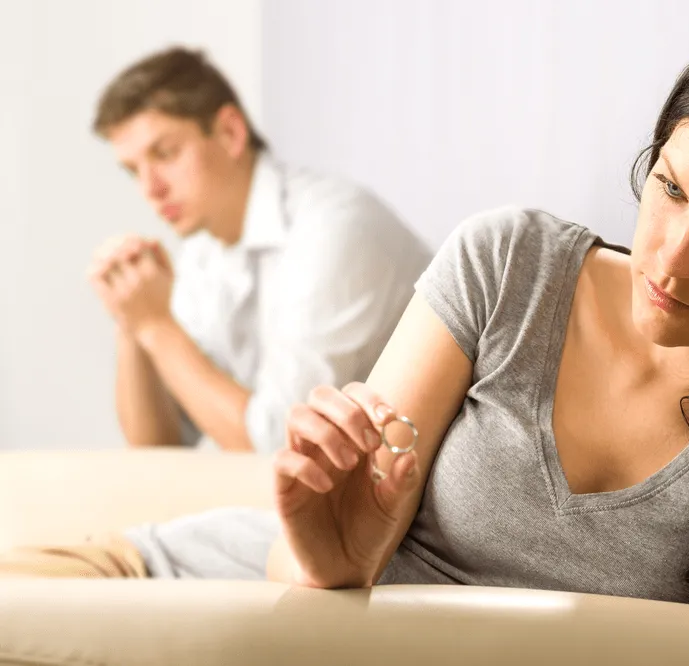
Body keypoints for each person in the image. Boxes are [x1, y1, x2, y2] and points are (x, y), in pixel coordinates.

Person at [0, 21, 689, 665]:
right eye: (670, 188)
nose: (670, 261)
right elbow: (311, 580)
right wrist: (328, 561)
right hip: (204, 587)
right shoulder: (512, 264)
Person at [85, 47, 431, 452]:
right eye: (133, 171)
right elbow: (159, 446)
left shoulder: (332, 228)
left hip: (415, 479)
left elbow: (280, 446)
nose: (150, 189)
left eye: (165, 154)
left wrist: (156, 326)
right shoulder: (202, 252)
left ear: (230, 132)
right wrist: (132, 321)